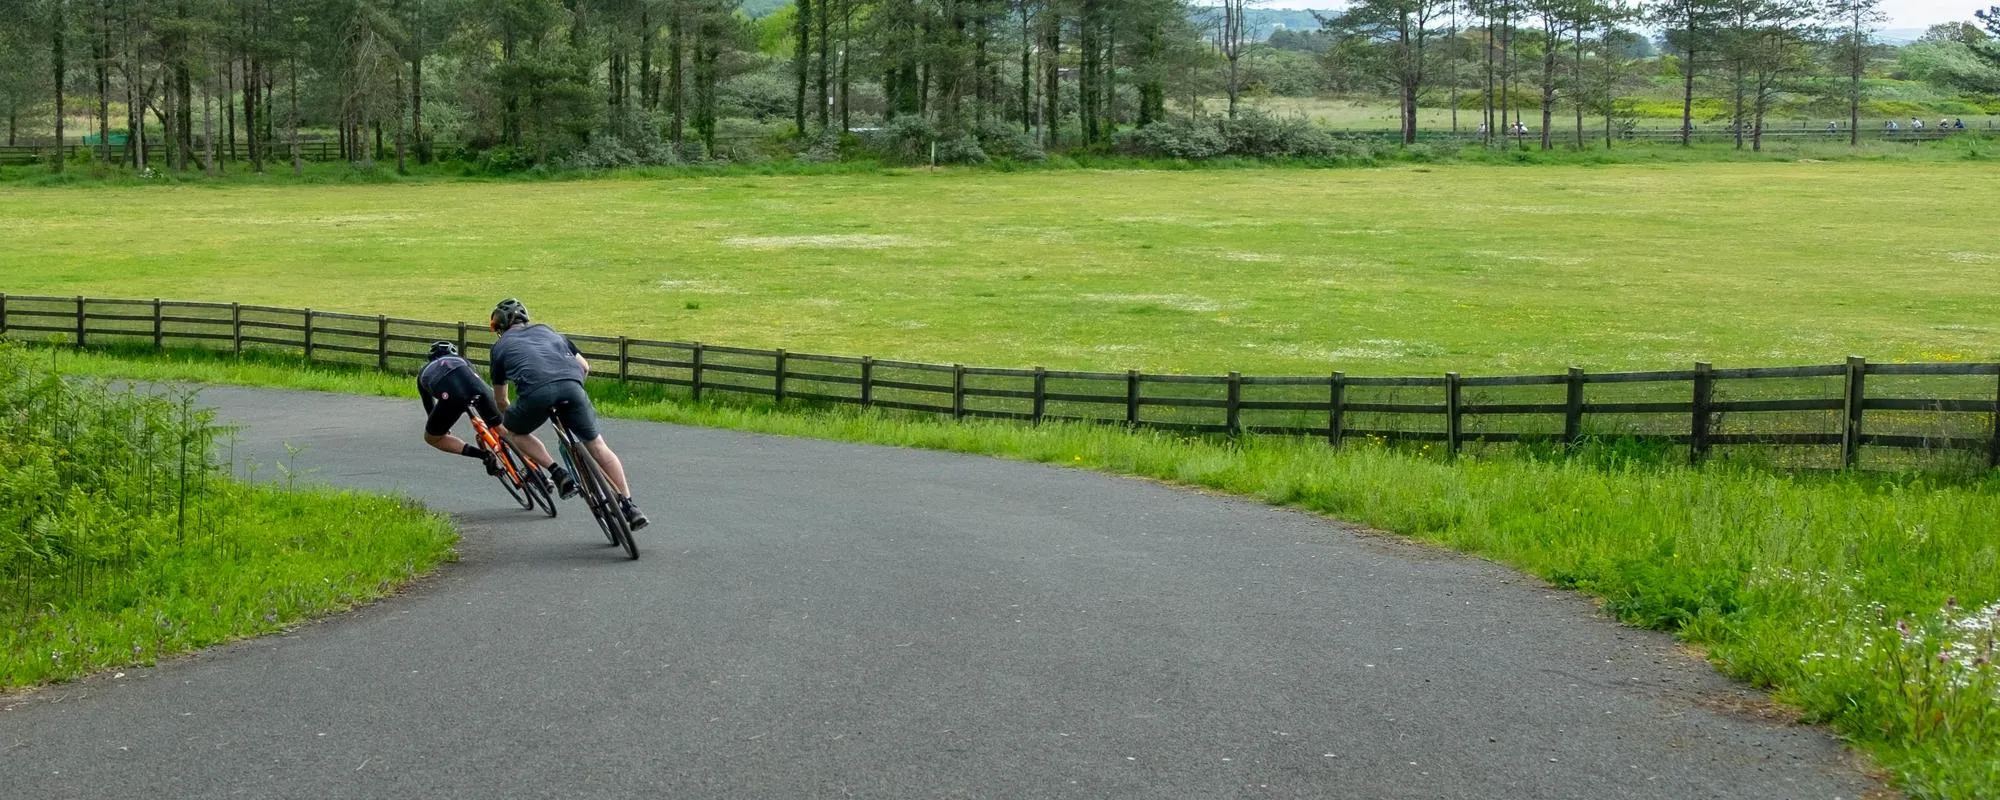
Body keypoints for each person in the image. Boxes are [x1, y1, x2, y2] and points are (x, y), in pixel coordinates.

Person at [487, 299, 648, 530]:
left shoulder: (499, 349)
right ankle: (630, 506)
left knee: (513, 433)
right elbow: (585, 367)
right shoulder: (550, 332)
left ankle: (557, 473)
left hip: (535, 395)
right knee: (597, 445)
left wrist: (513, 417)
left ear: (500, 327)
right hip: (572, 388)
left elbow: (501, 399)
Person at [418, 341, 508, 477]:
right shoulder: (462, 360)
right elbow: (474, 380)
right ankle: (534, 468)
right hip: (480, 388)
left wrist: (443, 428)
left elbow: (429, 405)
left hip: (451, 397)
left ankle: (483, 455)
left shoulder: (423, 372)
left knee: (432, 438)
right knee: (502, 428)